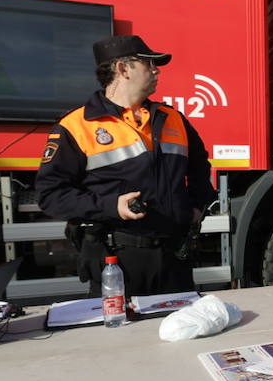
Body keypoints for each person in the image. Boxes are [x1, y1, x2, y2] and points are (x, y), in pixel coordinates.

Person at [37, 35, 217, 296]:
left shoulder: (173, 118)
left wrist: (197, 207)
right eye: (148, 64)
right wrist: (112, 206)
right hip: (116, 262)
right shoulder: (76, 127)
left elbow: (200, 167)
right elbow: (51, 195)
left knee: (182, 333)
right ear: (123, 69)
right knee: (122, 336)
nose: (156, 71)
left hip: (174, 259)